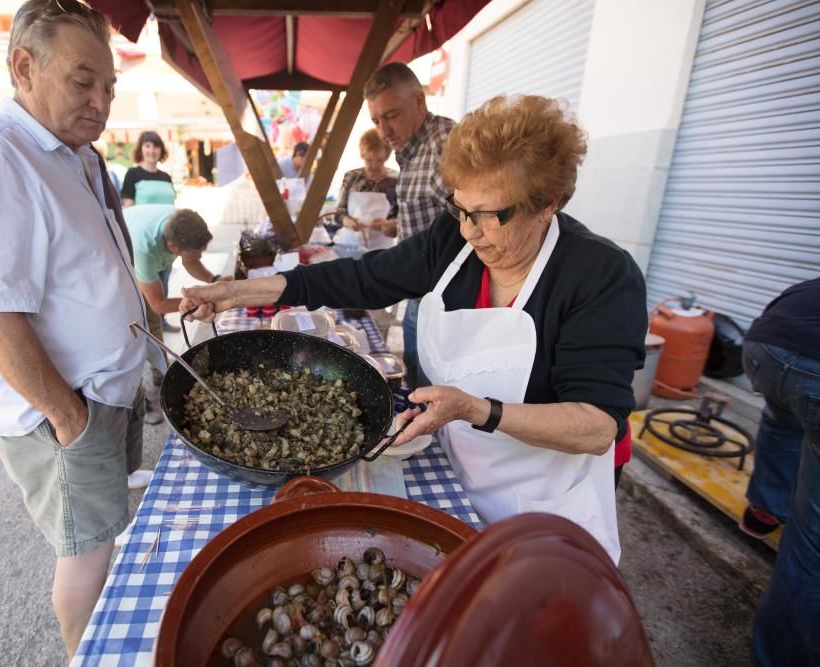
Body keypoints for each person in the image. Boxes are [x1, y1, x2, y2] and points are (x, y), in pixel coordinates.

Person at [181, 95, 647, 563]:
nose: (470, 231)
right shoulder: (453, 241)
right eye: (461, 209)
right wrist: (239, 291)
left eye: (489, 215)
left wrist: (475, 409)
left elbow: (596, 426)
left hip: (547, 514)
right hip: (456, 482)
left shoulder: (600, 275)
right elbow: (363, 277)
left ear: (547, 204)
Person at [0, 1, 147, 657]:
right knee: (85, 549)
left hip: (101, 390)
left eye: (108, 86)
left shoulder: (72, 154)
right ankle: (89, 653)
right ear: (24, 66)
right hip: (63, 407)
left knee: (103, 530)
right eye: (84, 81)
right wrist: (70, 418)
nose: (101, 101)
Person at [735, 278, 819, 666]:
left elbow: (771, 314)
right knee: (812, 545)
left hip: (764, 349)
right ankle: (780, 657)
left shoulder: (810, 287)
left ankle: (764, 511)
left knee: (783, 416)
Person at [364, 62, 455, 388]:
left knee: (433, 393)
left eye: (391, 115)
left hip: (447, 305)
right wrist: (396, 226)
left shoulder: (445, 144)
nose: (383, 130)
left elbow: (473, 226)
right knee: (416, 383)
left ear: (419, 102)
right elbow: (431, 214)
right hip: (418, 295)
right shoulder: (409, 150)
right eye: (376, 120)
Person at [124, 204, 229, 421]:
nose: (199, 255)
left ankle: (160, 370)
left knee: (154, 321)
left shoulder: (183, 223)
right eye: (196, 252)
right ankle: (137, 400)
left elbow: (191, 261)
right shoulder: (145, 249)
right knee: (139, 323)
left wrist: (214, 282)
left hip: (153, 247)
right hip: (121, 260)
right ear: (173, 247)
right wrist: (199, 300)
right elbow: (159, 304)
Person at [332, 128, 398, 250]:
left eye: (379, 160)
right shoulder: (351, 177)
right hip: (350, 245)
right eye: (369, 160)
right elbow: (337, 214)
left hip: (381, 247)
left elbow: (402, 219)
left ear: (386, 156)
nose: (374, 166)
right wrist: (348, 222)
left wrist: (389, 226)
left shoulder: (395, 180)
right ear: (362, 155)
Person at [121, 130, 174, 207]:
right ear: (140, 149)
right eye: (147, 146)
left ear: (161, 150)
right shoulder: (132, 174)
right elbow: (128, 208)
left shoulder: (166, 177)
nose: (151, 151)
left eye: (156, 146)